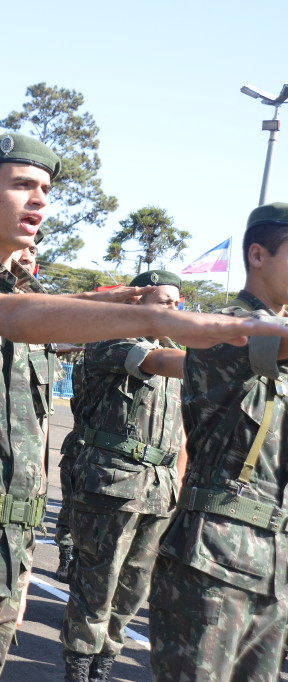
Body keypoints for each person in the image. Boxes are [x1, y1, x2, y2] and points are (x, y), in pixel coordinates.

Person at [0, 133, 288, 682]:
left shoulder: (28, 297)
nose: (39, 199)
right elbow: (11, 317)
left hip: (8, 550)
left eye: (45, 189)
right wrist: (157, 320)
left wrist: (108, 301)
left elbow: (29, 330)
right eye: (23, 185)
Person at [148, 203, 288, 682]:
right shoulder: (224, 328)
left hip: (274, 562)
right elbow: (269, 340)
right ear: (258, 255)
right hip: (214, 558)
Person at [59, 269, 187, 682]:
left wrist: (179, 484)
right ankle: (79, 663)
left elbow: (182, 432)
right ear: (136, 301)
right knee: (97, 581)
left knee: (134, 586)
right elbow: (154, 362)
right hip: (111, 482)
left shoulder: (174, 351)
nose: (174, 308)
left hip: (159, 489)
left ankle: (105, 661)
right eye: (165, 301)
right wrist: (227, 354)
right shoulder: (111, 341)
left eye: (177, 302)